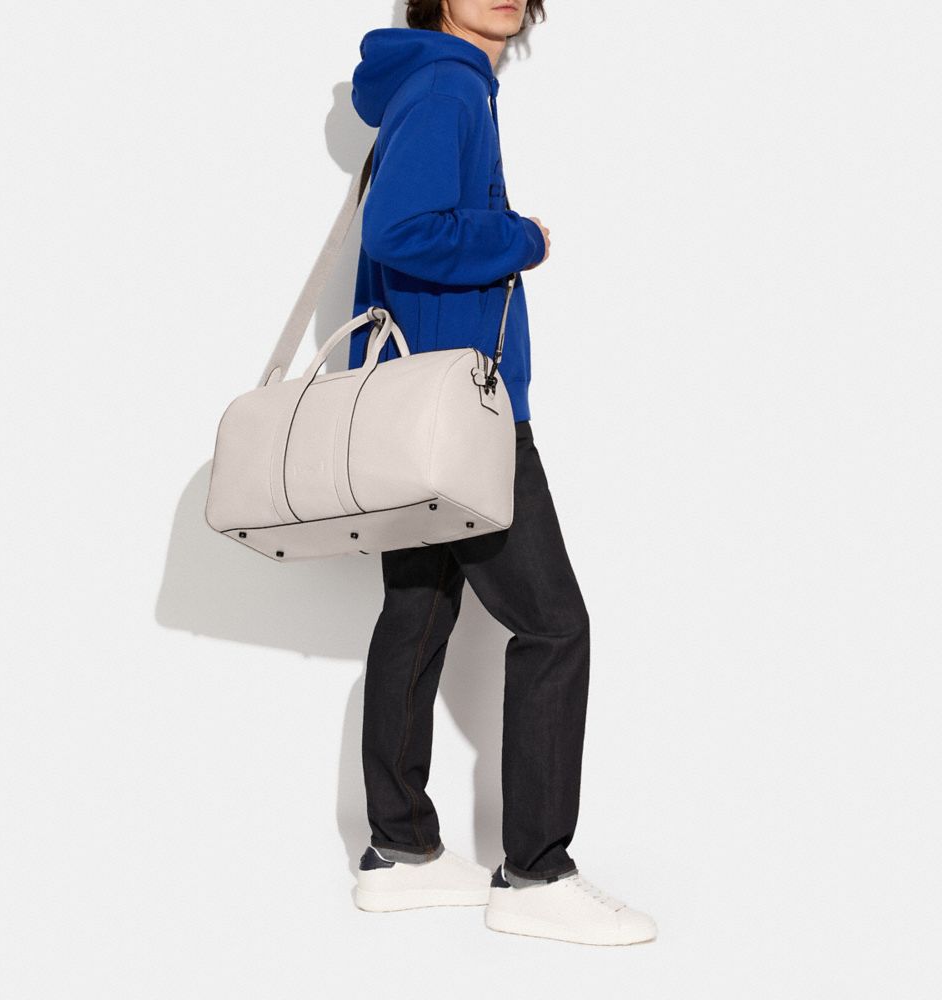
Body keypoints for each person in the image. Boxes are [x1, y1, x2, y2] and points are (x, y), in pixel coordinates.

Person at [347, 1, 657, 946]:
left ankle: (399, 850)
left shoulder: (427, 83)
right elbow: (399, 229)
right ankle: (535, 873)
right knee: (555, 625)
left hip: (412, 410)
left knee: (419, 613)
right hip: (462, 414)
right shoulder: (448, 87)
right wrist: (521, 238)